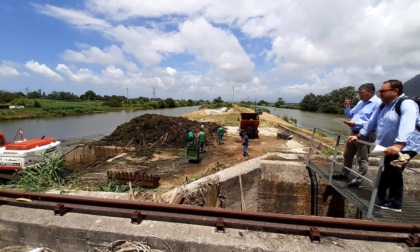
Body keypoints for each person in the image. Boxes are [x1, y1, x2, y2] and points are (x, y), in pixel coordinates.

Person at [349, 80, 419, 212]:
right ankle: (383, 197)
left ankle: (394, 203)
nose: (379, 94)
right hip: (388, 146)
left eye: (382, 91)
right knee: (390, 171)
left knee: (394, 172)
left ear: (395, 91)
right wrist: (358, 136)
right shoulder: (383, 105)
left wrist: (399, 144)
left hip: (406, 146)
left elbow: (408, 125)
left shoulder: (407, 104)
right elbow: (371, 123)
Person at [332, 83, 381, 187]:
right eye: (359, 93)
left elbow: (374, 122)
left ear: (371, 92)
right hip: (353, 132)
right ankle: (344, 174)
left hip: (365, 134)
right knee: (347, 154)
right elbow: (350, 114)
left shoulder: (378, 104)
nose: (360, 95)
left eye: (362, 93)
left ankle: (359, 180)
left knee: (362, 158)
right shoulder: (361, 102)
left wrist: (357, 123)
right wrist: (347, 106)